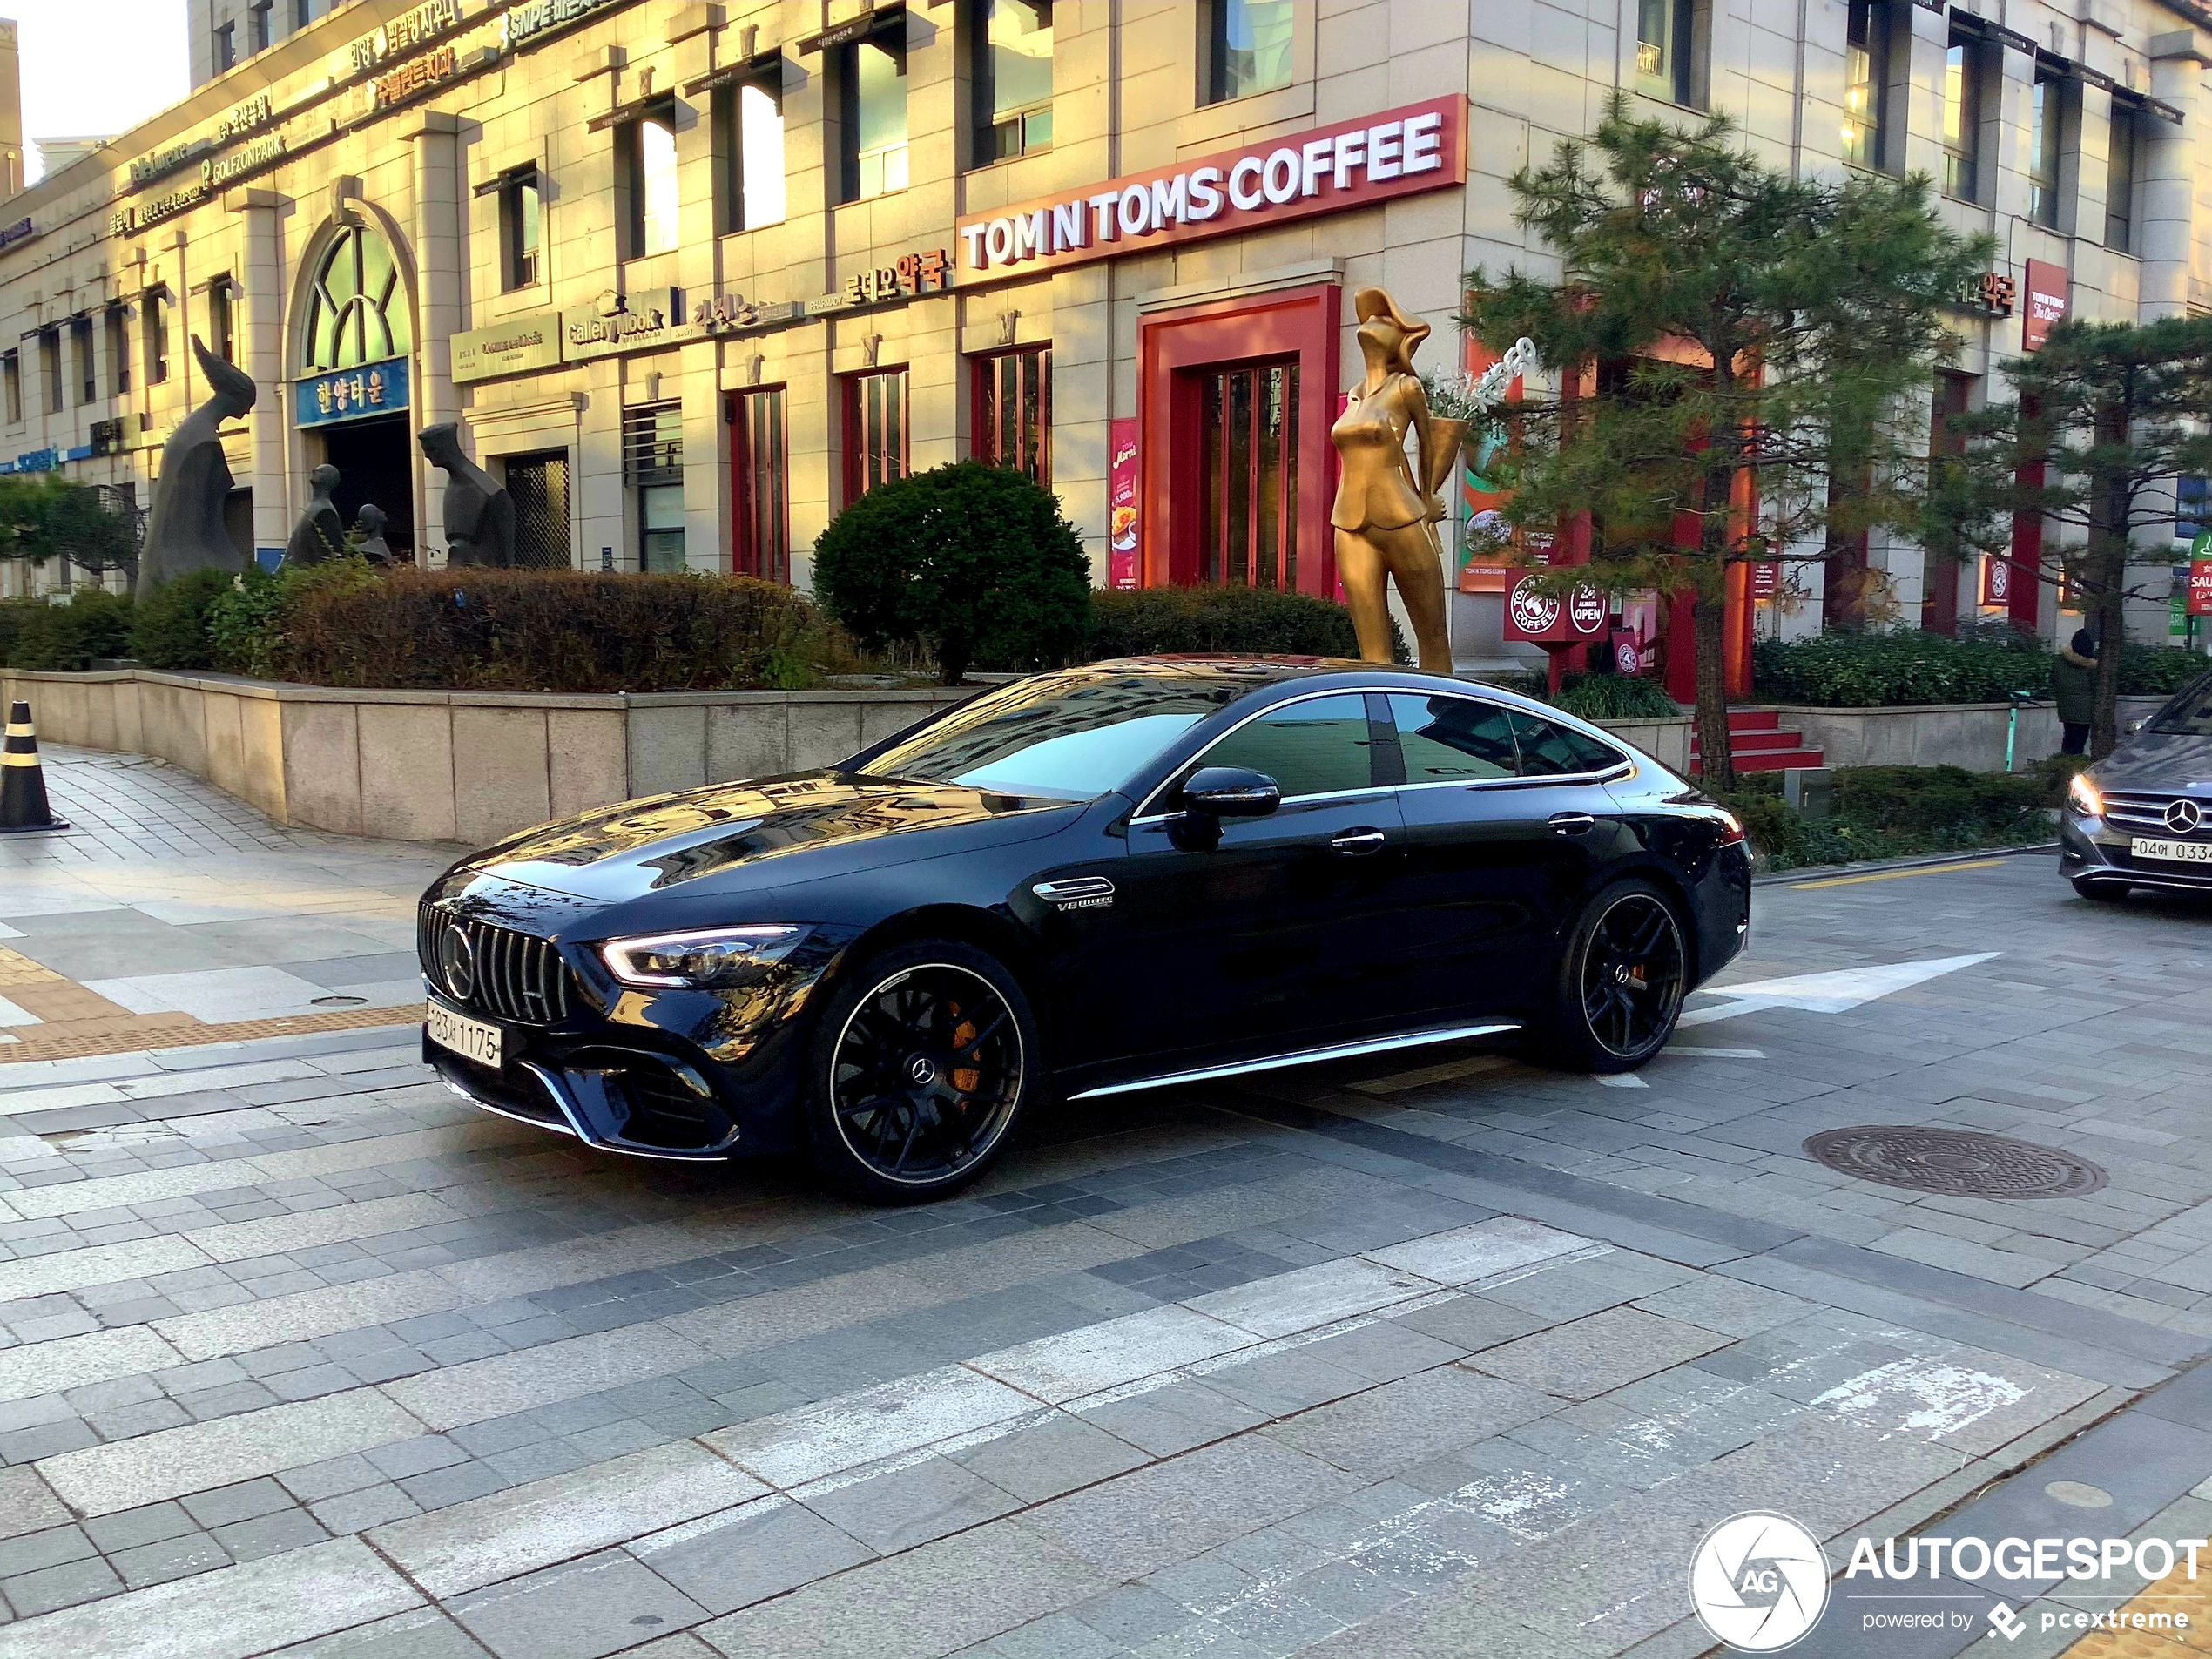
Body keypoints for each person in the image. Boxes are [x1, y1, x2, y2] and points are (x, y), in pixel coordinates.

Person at [2052, 627, 2098, 755]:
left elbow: (2054, 680)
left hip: (2066, 707)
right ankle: (2074, 767)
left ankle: (2063, 764)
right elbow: (2095, 686)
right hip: (2085, 710)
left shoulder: (2059, 661)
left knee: (2068, 738)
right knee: (2079, 742)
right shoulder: (2092, 666)